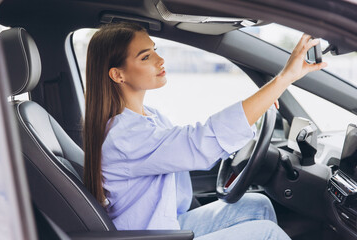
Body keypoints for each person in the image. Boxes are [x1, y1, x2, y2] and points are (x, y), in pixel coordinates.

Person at [83, 22, 326, 239]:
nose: (160, 60)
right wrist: (284, 78)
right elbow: (200, 144)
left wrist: (257, 106)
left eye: (155, 50)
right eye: (146, 57)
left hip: (165, 226)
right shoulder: (125, 136)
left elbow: (191, 142)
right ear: (118, 74)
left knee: (257, 204)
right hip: (151, 235)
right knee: (268, 234)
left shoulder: (149, 117)